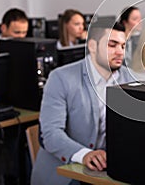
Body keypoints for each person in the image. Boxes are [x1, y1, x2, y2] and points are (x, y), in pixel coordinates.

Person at [31, 21, 133, 185]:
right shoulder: (61, 78)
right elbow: (50, 133)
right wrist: (84, 154)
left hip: (107, 170)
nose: (120, 52)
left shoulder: (131, 79)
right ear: (92, 46)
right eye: (112, 45)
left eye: (123, 45)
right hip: (65, 174)